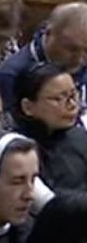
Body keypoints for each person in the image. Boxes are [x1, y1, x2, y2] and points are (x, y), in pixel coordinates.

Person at [14, 61, 87, 193]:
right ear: (28, 107)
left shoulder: (80, 137)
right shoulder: (17, 152)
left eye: (73, 94)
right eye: (58, 98)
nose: (72, 105)